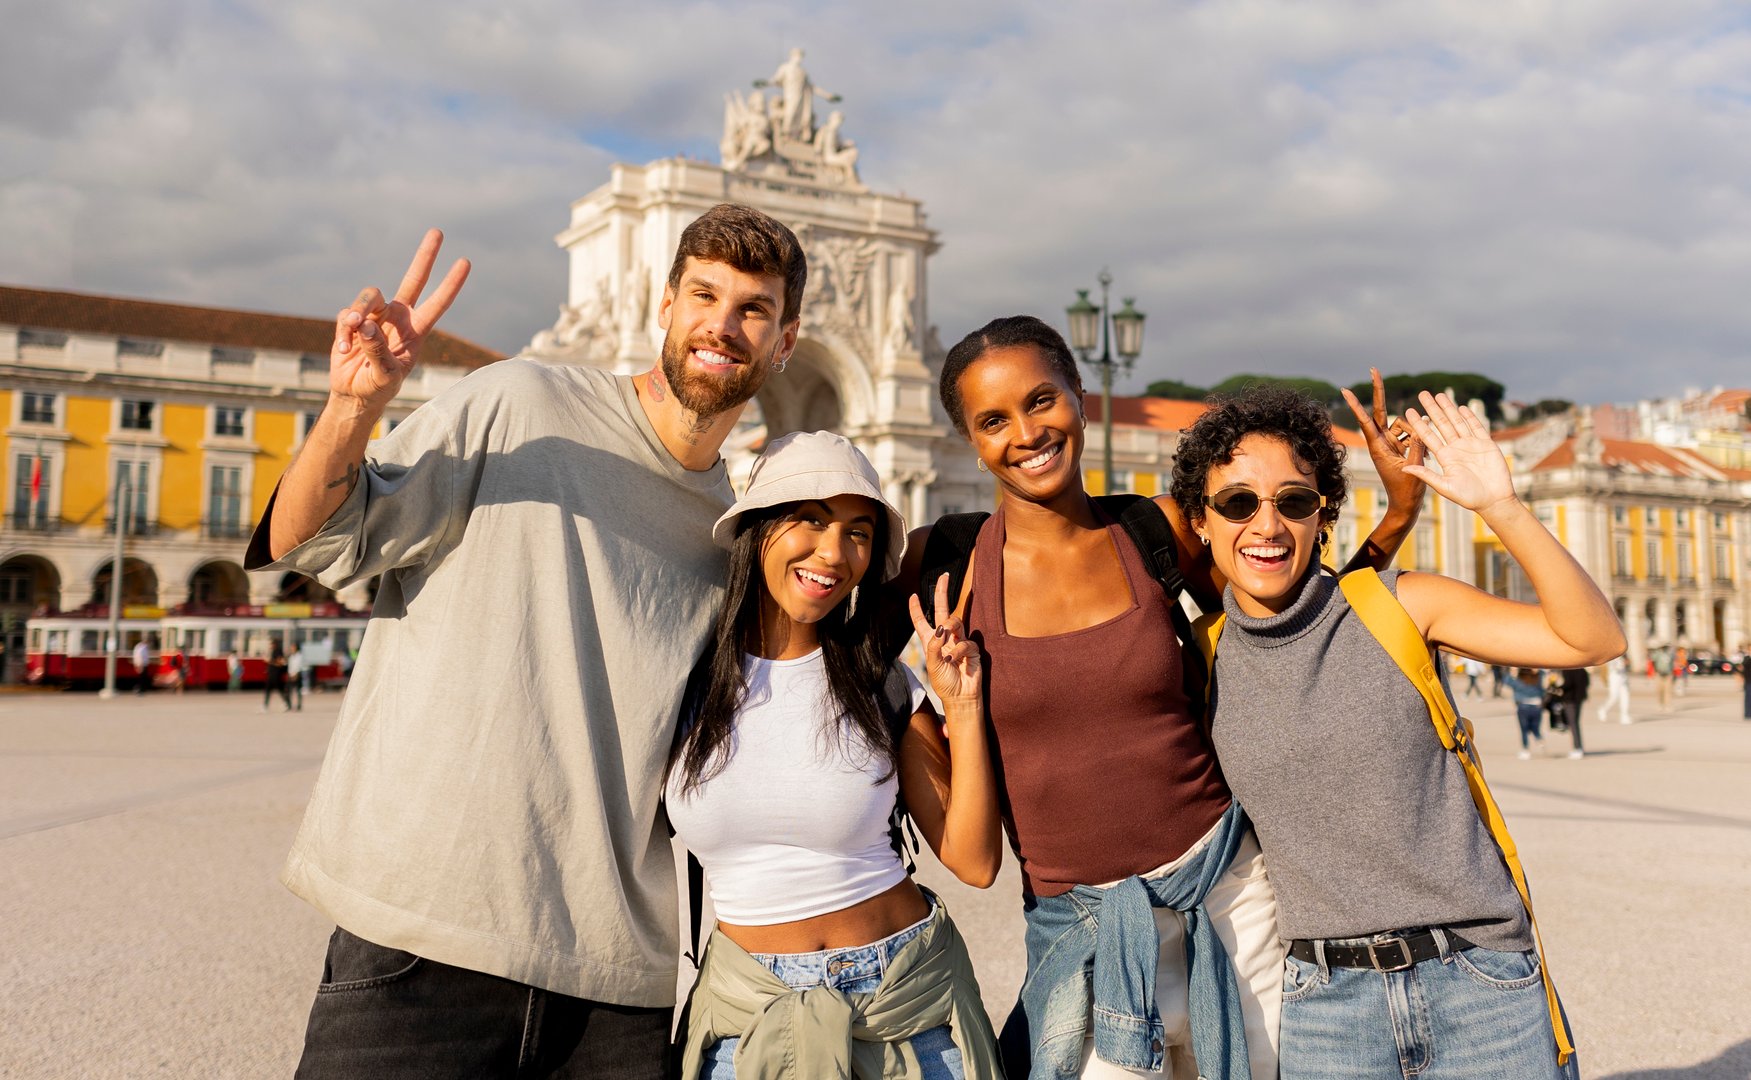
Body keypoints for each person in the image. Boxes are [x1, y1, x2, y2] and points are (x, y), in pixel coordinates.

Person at [244, 203, 807, 1077]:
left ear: (786, 341)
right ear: (663, 305)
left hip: (618, 981)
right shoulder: (521, 402)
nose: (722, 325)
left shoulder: (739, 529)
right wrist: (351, 410)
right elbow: (314, 540)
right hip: (422, 942)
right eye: (705, 295)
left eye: (753, 309)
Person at [905, 316, 1425, 1080]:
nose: (1025, 432)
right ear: (968, 439)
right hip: (1079, 930)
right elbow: (821, 646)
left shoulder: (1157, 529)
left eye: (1042, 400)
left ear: (1080, 398)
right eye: (992, 420)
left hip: (1232, 898)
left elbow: (1301, 621)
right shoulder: (945, 563)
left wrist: (1398, 514)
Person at [1177, 386, 1623, 1079]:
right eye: (1236, 502)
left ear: (1322, 513)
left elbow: (1592, 639)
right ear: (1200, 521)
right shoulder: (1199, 659)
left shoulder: (1398, 604)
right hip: (1325, 1009)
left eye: (1292, 501)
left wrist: (1497, 505)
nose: (1265, 525)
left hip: (1477, 984)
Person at [667, 432, 1002, 1079]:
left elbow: (975, 861)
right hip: (750, 1017)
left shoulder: (879, 680)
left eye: (858, 532)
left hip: (905, 1007)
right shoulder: (682, 678)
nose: (833, 552)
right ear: (758, 528)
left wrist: (961, 707)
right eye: (811, 521)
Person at [1506, 667, 1546, 759]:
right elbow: (1543, 687)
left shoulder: (1519, 680)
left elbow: (1508, 682)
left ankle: (1525, 749)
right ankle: (1538, 738)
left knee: (1524, 729)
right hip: (1537, 705)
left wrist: (1512, 672)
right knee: (1535, 727)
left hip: (1523, 705)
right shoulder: (1537, 678)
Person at [1558, 666, 1590, 759]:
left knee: (1573, 724)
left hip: (1570, 699)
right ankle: (1579, 747)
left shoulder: (1567, 670)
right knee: (1576, 723)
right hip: (1579, 699)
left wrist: (1557, 687)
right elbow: (1587, 683)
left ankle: (1577, 748)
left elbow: (1568, 684)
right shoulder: (1582, 669)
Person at [1600, 654, 1633, 725]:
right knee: (1614, 697)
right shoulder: (1612, 655)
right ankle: (1603, 710)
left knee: (1625, 696)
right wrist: (1623, 664)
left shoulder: (1625, 655)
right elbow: (1613, 667)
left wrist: (1627, 663)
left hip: (1624, 677)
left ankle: (1624, 715)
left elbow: (1628, 666)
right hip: (1615, 677)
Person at [263, 640, 294, 713]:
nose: (270, 646)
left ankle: (286, 704)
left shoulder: (278, 651)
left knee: (280, 690)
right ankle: (265, 705)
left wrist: (269, 661)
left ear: (275, 644)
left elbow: (280, 663)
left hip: (276, 675)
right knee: (269, 690)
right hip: (272, 675)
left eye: (271, 644)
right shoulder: (274, 651)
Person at [1650, 643, 1675, 713]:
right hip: (1659, 674)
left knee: (1668, 690)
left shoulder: (1670, 654)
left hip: (1668, 674)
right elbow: (1653, 662)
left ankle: (1668, 705)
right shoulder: (1657, 653)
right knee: (1659, 690)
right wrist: (1656, 670)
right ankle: (1660, 704)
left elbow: (1672, 663)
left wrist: (1672, 672)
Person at [285, 646, 305, 711]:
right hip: (291, 675)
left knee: (298, 691)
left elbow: (300, 666)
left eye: (293, 648)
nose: (292, 649)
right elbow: (290, 666)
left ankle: (299, 705)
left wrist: (296, 674)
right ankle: (289, 705)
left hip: (297, 675)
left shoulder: (300, 656)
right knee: (288, 691)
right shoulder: (291, 657)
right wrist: (290, 674)